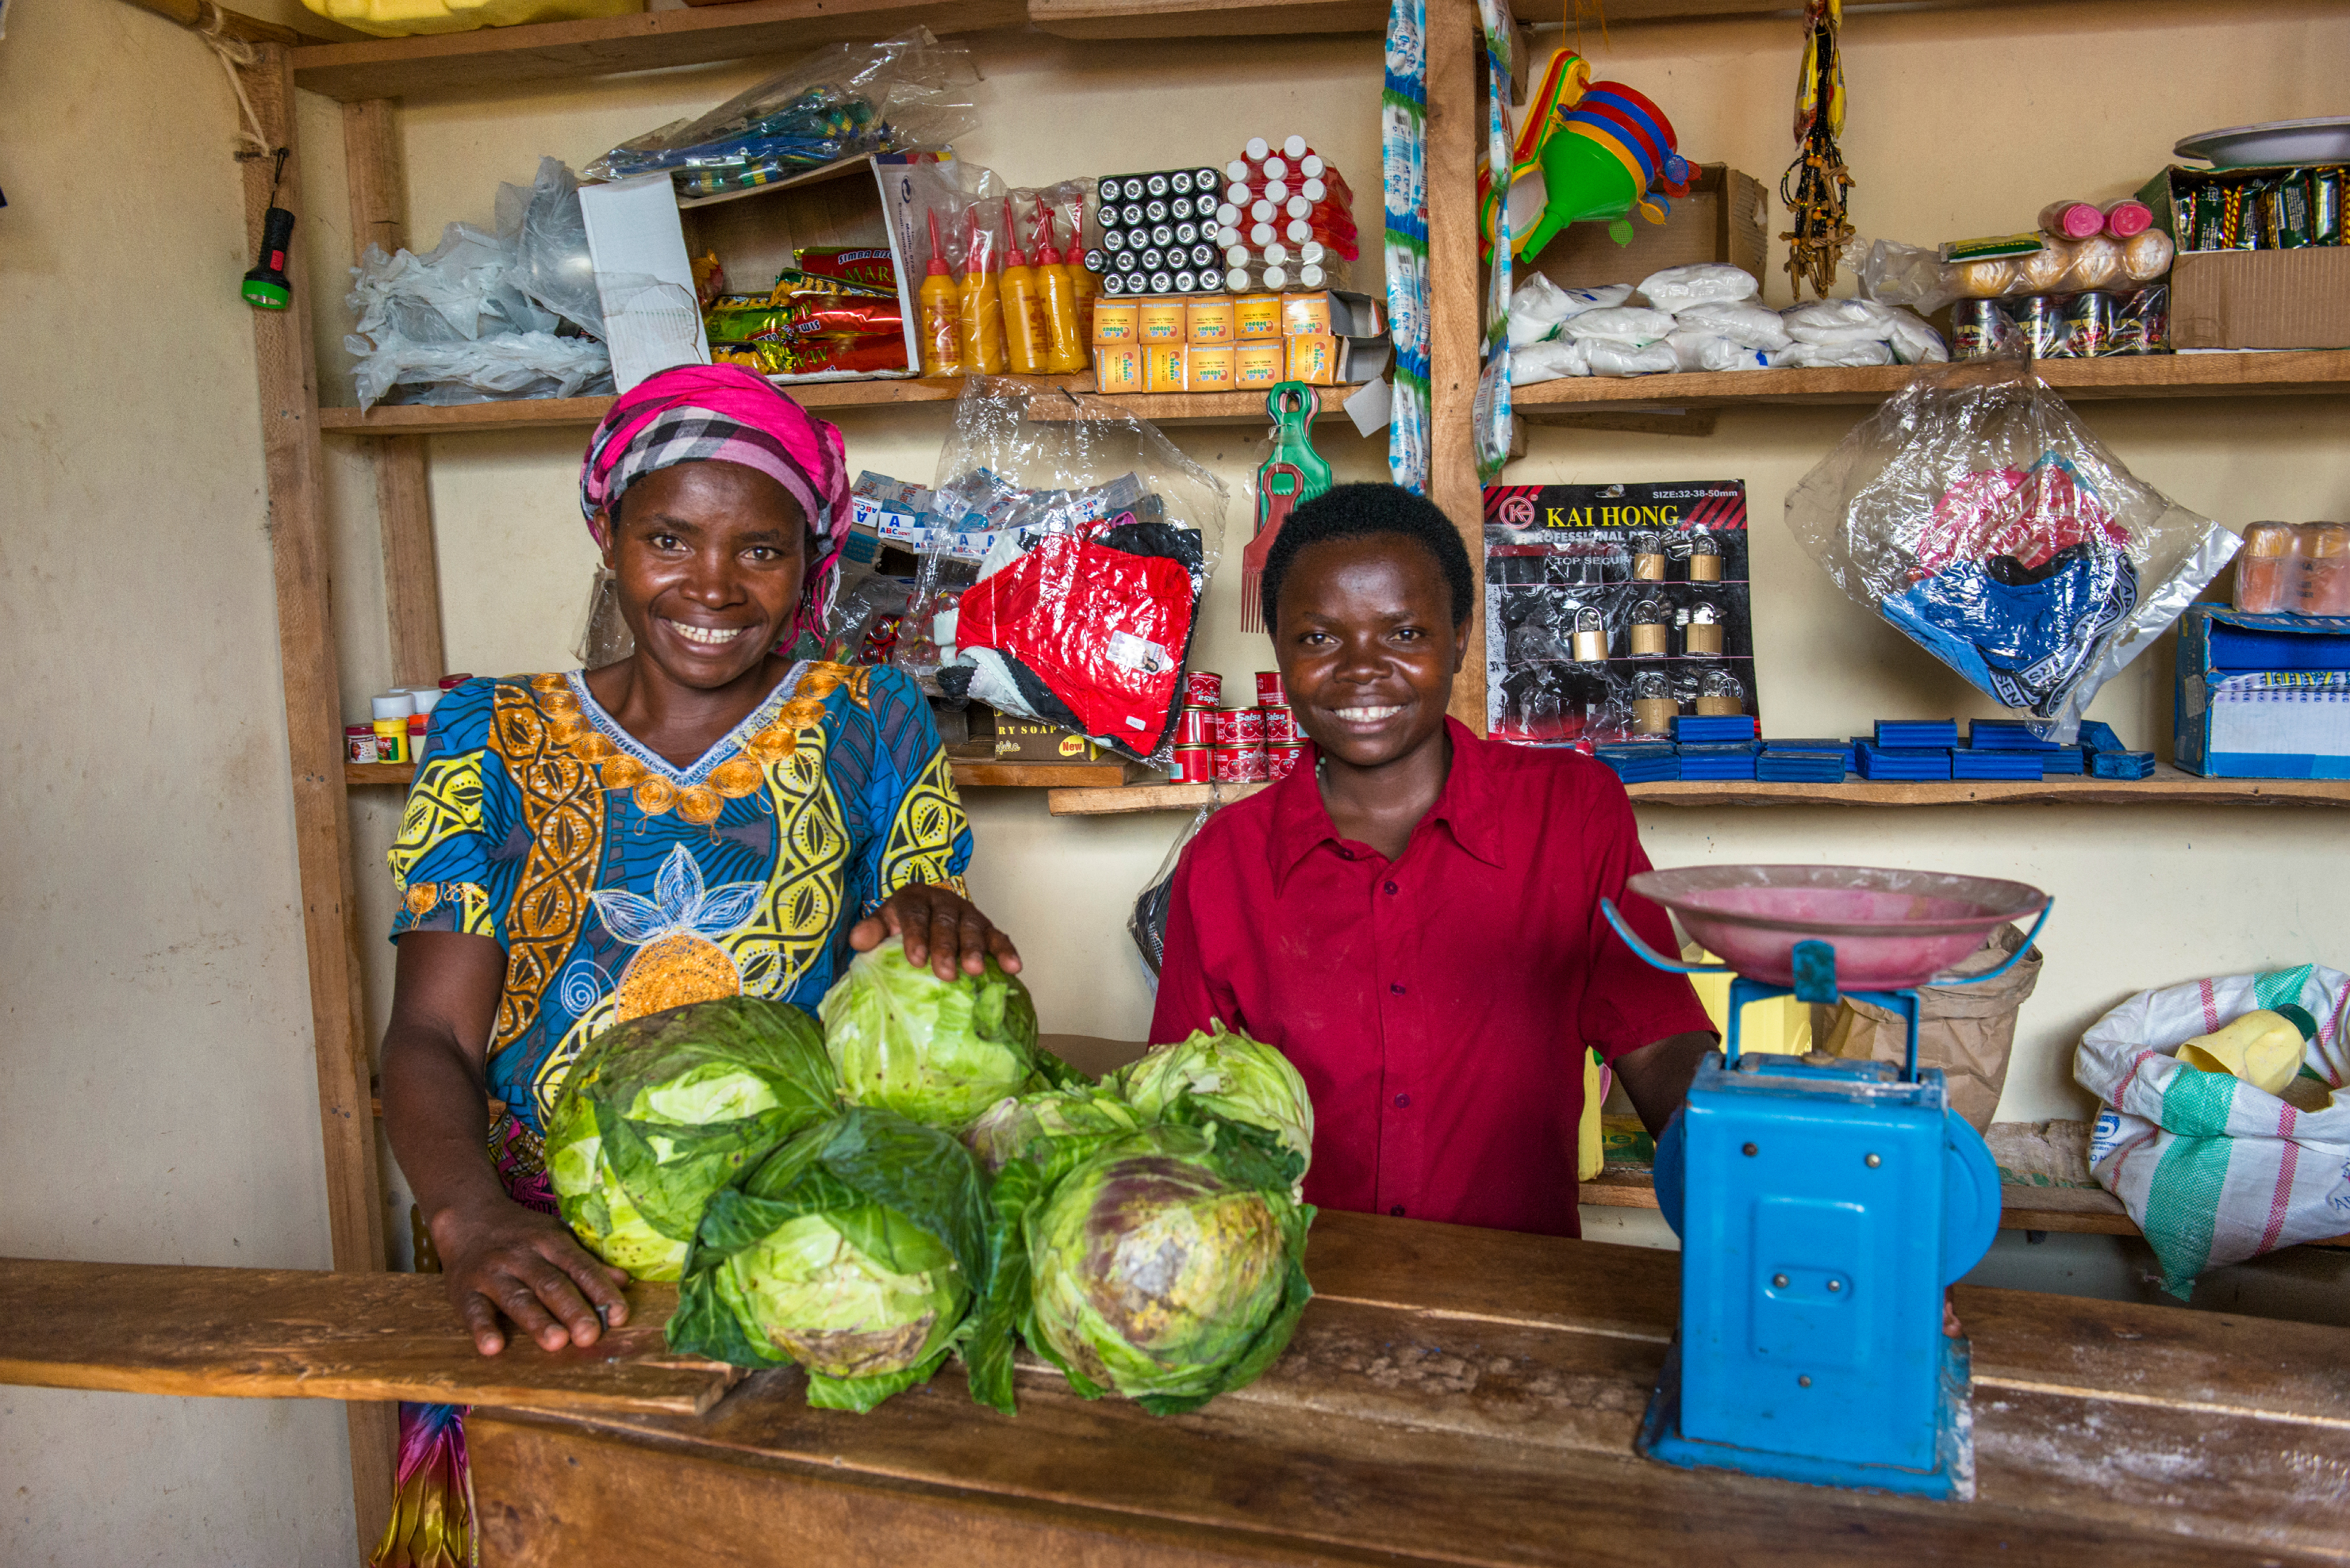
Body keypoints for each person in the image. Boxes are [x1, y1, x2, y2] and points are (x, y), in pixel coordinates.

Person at [372, 363, 1017, 1566]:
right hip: (538, 1262)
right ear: (607, 534)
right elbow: (431, 1038)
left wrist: (932, 916)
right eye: (669, 535)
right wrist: (472, 1223)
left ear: (808, 561)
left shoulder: (870, 718)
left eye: (758, 548)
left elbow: (918, 998)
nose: (711, 584)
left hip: (798, 1255)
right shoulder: (489, 733)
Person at [1149, 483, 1714, 1239]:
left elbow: (1660, 1040)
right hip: (1299, 1289)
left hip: (1515, 1287)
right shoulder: (1224, 861)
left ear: (1457, 638)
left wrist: (1754, 1175)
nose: (1360, 669)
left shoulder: (1572, 813)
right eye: (1318, 638)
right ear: (1279, 649)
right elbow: (1178, 1113)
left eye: (1404, 633)